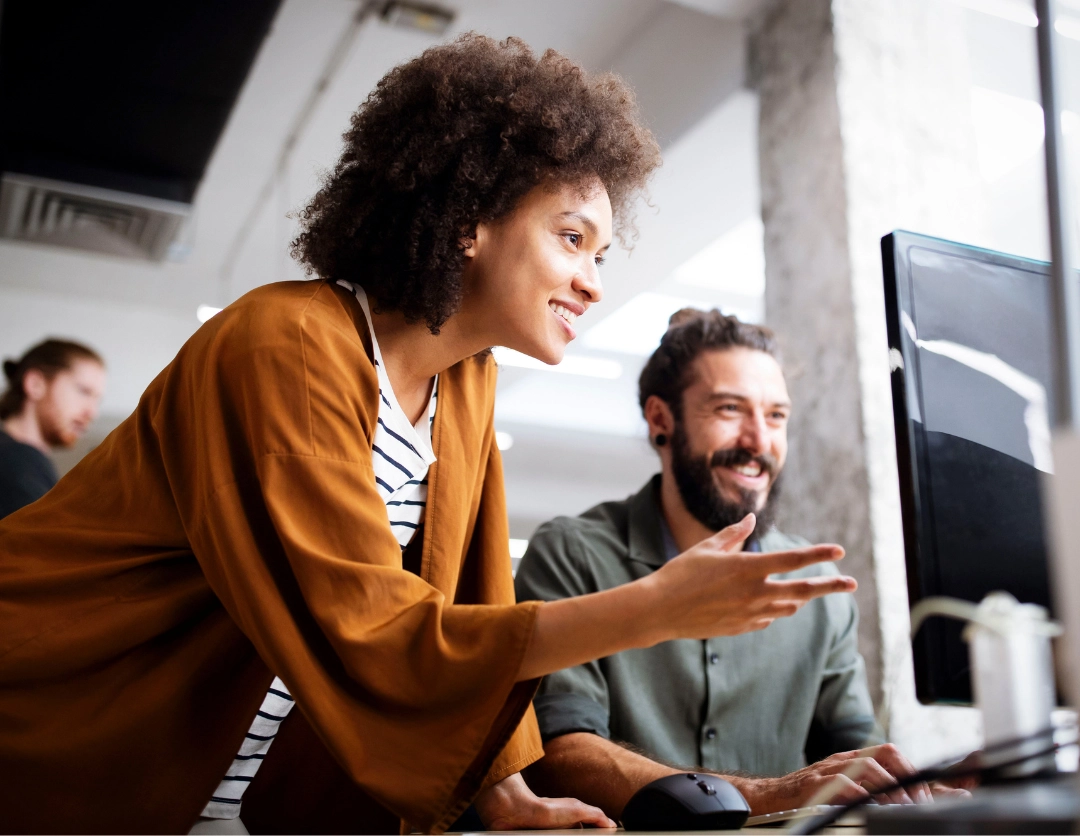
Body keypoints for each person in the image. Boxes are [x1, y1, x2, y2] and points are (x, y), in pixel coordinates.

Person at [0, 37, 860, 835]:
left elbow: (473, 603)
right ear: (468, 220)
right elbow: (369, 628)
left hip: (209, 786)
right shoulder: (284, 344)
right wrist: (652, 609)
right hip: (55, 737)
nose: (592, 284)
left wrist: (513, 800)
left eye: (601, 254)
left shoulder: (466, 383)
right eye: (572, 239)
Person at [516, 309, 964, 819]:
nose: (758, 442)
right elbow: (558, 752)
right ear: (661, 420)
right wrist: (766, 795)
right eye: (730, 410)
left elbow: (857, 756)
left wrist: (937, 785)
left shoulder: (818, 589)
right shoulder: (573, 555)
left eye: (776, 416)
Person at [0, 338, 106, 519]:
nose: (92, 412)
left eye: (97, 400)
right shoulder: (15, 461)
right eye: (83, 391)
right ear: (35, 384)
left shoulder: (25, 462)